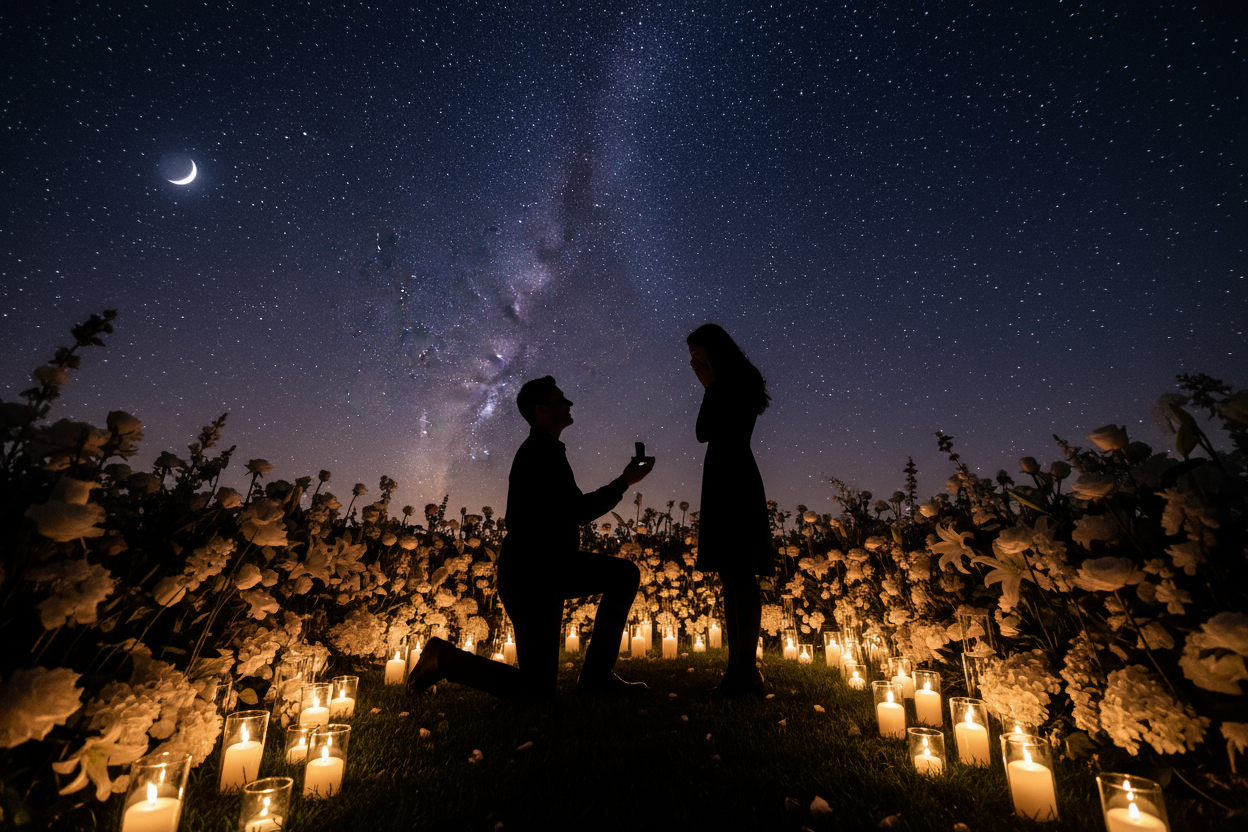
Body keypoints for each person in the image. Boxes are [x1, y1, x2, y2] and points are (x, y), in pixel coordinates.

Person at [407, 376, 654, 699]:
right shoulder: (541, 452)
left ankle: (444, 659)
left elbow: (564, 511)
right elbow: (577, 510)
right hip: (533, 576)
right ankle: (443, 659)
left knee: (537, 689)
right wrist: (623, 482)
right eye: (561, 399)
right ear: (541, 410)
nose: (569, 403)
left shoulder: (546, 450)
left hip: (543, 571)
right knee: (623, 576)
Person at [687, 324, 773, 697]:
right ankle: (737, 670)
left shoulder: (735, 383)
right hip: (723, 477)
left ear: (716, 351)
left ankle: (746, 672)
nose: (694, 363)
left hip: (734, 477)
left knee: (740, 574)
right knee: (730, 574)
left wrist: (710, 388)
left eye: (698, 355)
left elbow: (705, 431)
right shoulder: (727, 384)